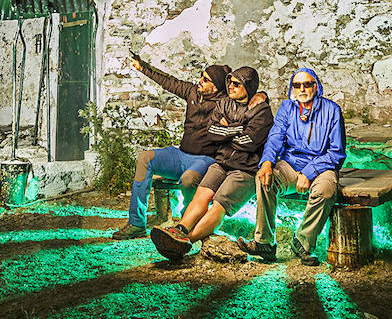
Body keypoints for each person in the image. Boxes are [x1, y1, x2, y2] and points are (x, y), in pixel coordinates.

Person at [150, 66, 273, 260]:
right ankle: (179, 229)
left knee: (218, 205)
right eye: (229, 83)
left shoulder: (261, 110)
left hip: (245, 169)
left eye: (236, 84)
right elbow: (212, 133)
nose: (230, 87)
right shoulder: (224, 104)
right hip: (221, 162)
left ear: (248, 87)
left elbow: (248, 142)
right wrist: (239, 128)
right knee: (202, 195)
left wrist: (228, 129)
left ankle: (185, 241)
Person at [109, 55, 232, 239]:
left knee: (189, 180)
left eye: (205, 80)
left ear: (215, 87)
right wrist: (143, 67)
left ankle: (189, 220)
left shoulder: (226, 104)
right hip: (180, 154)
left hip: (205, 159)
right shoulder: (192, 92)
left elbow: (249, 97)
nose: (200, 81)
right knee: (145, 158)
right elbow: (168, 81)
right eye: (201, 76)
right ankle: (136, 223)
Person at [238, 66, 346, 266]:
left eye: (307, 84)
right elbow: (275, 137)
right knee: (264, 179)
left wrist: (309, 172)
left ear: (316, 86)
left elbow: (336, 153)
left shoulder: (332, 111)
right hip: (290, 164)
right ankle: (265, 243)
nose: (302, 89)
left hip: (321, 167)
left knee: (326, 191)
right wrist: (267, 162)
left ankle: (303, 242)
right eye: (297, 85)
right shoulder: (287, 108)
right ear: (293, 88)